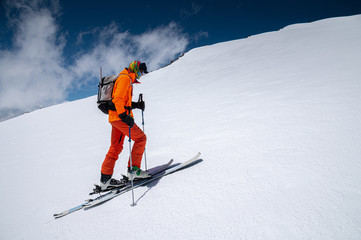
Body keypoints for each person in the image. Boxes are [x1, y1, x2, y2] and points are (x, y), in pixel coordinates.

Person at [99, 61, 149, 191]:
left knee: (115, 147)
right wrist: (124, 116)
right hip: (120, 118)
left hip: (115, 118)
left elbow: (122, 101)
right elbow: (117, 99)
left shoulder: (126, 78)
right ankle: (134, 171)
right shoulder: (125, 78)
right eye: (141, 72)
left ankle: (105, 179)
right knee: (141, 139)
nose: (141, 75)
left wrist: (136, 105)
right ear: (135, 69)